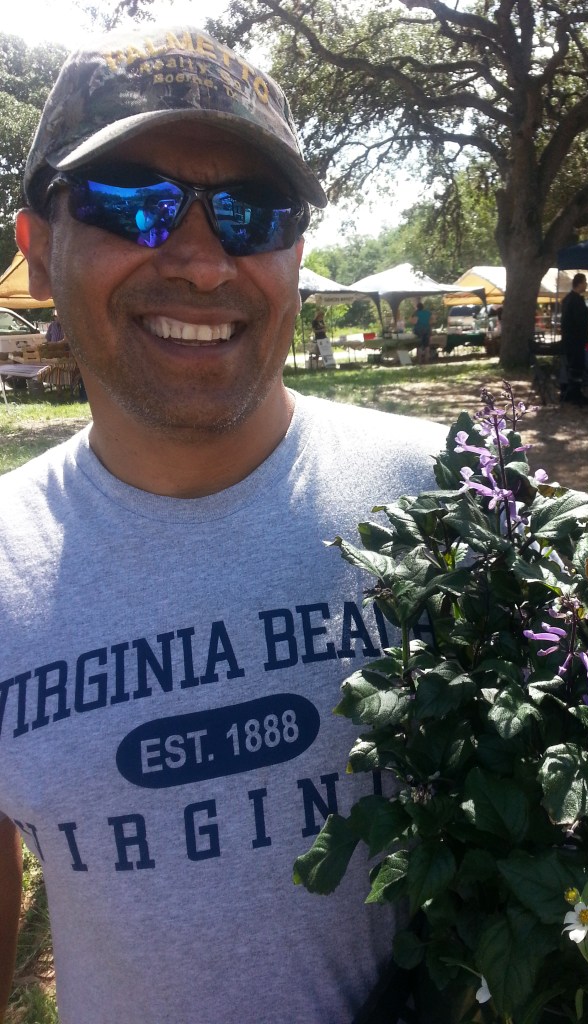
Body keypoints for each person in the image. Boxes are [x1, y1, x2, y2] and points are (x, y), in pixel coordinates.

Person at [0, 24, 447, 1024]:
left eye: (253, 211)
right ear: (37, 245)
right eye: (132, 203)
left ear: (294, 250)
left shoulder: (443, 498)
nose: (203, 263)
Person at [560, 272, 588, 404]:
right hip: (576, 340)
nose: (586, 285)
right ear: (580, 283)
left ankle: (568, 390)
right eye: (585, 282)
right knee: (577, 366)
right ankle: (575, 393)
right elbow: (580, 320)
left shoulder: (566, 299)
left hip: (568, 339)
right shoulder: (577, 300)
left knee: (570, 366)